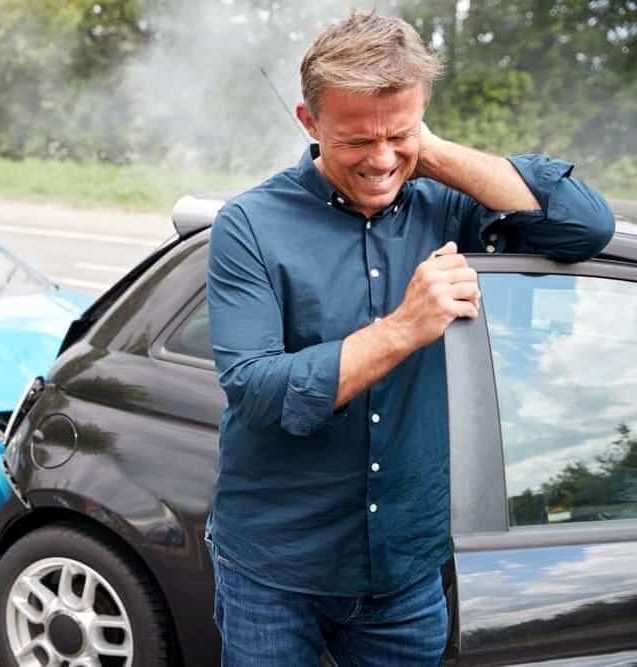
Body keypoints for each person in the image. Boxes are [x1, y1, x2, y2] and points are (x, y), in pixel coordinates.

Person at [205, 10, 614, 667]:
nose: (382, 160)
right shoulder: (248, 225)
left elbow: (585, 228)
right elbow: (256, 390)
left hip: (405, 572)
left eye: (399, 133)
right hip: (273, 569)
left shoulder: (450, 205)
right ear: (309, 122)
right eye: (357, 140)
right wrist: (402, 328)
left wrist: (431, 151)